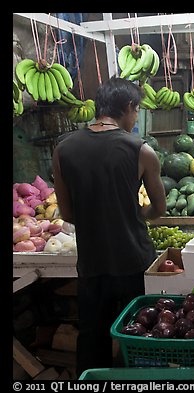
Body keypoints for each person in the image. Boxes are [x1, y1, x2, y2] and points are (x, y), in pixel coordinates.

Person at [51, 77, 167, 376]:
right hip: (133, 259)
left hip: (92, 262)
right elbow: (158, 209)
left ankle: (92, 380)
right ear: (129, 107)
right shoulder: (141, 150)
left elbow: (67, 212)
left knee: (92, 336)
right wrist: (136, 213)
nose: (135, 118)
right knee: (140, 332)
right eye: (136, 110)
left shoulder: (63, 148)